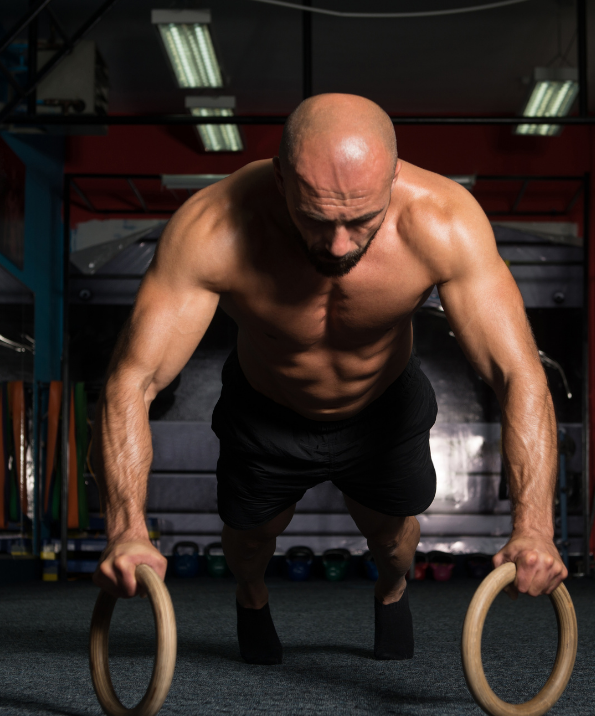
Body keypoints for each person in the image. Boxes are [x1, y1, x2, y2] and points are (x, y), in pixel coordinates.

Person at [91, 93, 566, 664]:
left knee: (391, 541)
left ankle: (391, 589)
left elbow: (519, 374)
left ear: (393, 178)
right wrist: (125, 529)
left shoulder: (443, 221)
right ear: (281, 179)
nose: (339, 246)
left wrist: (535, 526)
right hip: (266, 408)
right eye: (317, 219)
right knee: (248, 541)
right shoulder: (212, 228)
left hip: (382, 408)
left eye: (360, 220)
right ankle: (252, 594)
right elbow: (132, 380)